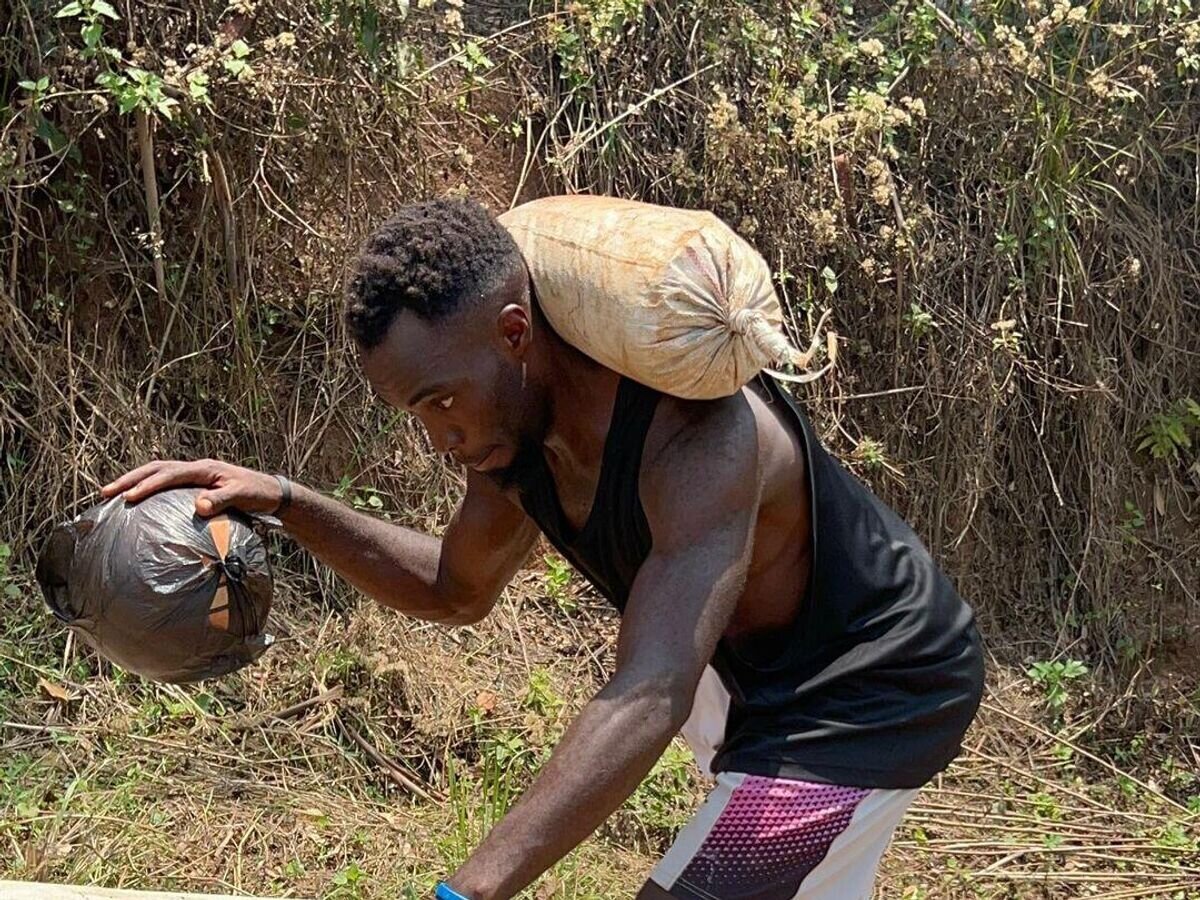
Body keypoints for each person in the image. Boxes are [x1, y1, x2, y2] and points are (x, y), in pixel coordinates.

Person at [101, 198, 984, 900]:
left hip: (870, 692)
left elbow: (650, 692)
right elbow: (456, 588)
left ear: (515, 336)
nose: (436, 437)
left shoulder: (699, 443)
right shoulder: (514, 438)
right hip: (750, 681)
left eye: (440, 401)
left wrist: (469, 890)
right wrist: (288, 501)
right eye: (414, 413)